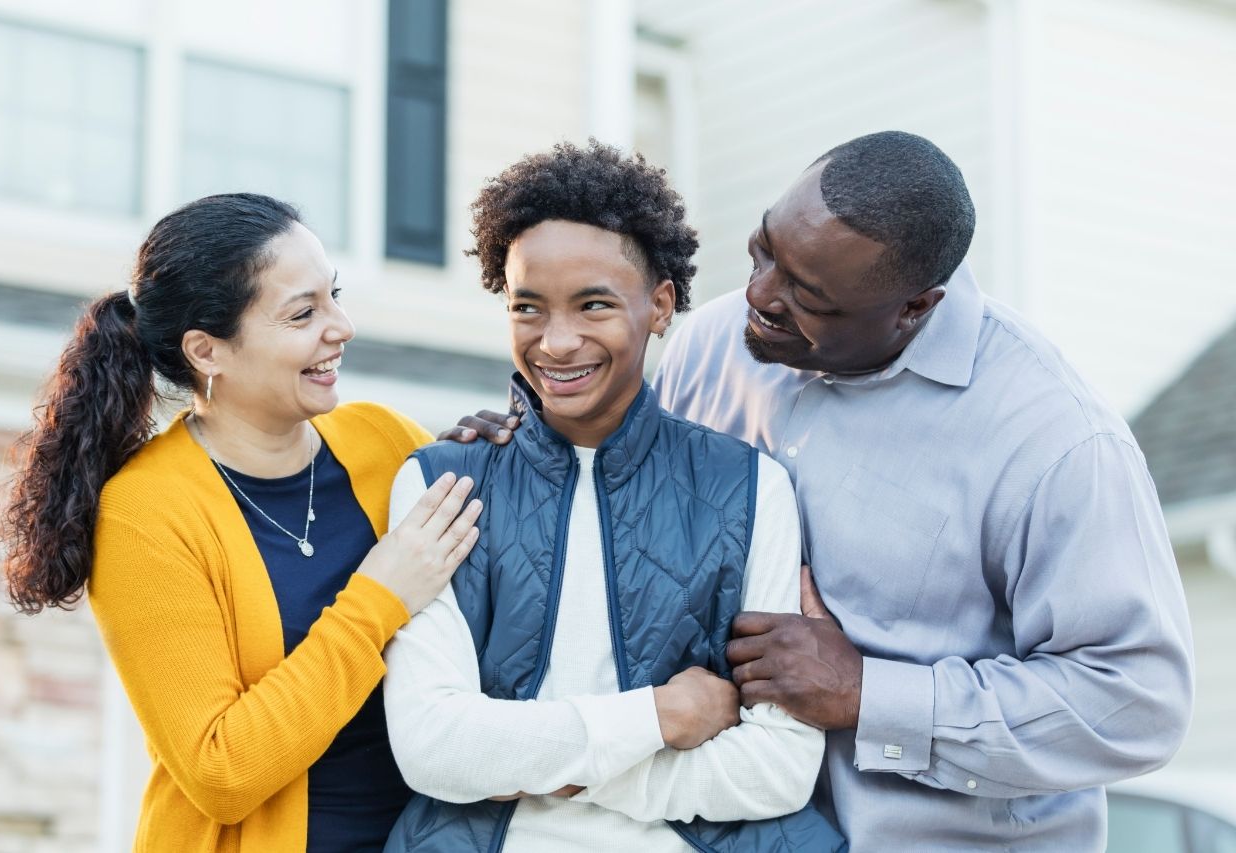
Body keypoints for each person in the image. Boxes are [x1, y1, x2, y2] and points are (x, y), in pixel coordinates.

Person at [446, 131, 1195, 852]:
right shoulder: (712, 347)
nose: (760, 296)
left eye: (810, 297)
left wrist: (869, 692)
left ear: (915, 307)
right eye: (765, 250)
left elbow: (1135, 701)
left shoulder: (1053, 440)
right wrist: (527, 451)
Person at [380, 141, 846, 852]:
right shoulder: (443, 483)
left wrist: (546, 766)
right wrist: (657, 718)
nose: (556, 342)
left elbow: (778, 767)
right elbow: (432, 747)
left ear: (660, 305)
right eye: (527, 307)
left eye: (593, 304)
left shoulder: (749, 488)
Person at [0, 193, 483, 853]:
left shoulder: (384, 439)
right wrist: (378, 600)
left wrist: (498, 471)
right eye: (303, 312)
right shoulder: (148, 513)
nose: (341, 325)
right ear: (207, 350)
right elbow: (220, 768)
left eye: (333, 296)